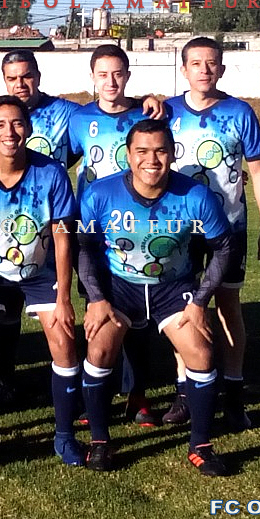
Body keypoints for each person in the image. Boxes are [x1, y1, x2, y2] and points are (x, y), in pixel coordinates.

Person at [77, 119, 234, 475]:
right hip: (119, 286)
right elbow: (83, 247)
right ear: (128, 155)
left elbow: (224, 247)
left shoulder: (195, 195)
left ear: (173, 153)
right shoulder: (99, 194)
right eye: (142, 151)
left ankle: (201, 445)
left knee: (201, 352)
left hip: (173, 287)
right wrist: (96, 298)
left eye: (161, 151)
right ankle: (100, 442)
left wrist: (200, 301)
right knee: (98, 349)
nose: (152, 160)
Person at [0, 96, 79, 462]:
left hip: (39, 271)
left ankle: (65, 436)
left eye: (17, 123)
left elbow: (62, 237)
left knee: (64, 340)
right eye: (1, 125)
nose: (10, 132)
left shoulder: (51, 172)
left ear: (29, 128)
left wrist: (64, 297)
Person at [163, 37, 260, 430]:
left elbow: (257, 170)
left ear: (222, 69)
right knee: (181, 308)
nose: (204, 70)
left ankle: (234, 394)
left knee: (228, 306)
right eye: (196, 63)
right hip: (180, 230)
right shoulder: (167, 111)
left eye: (211, 63)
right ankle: (184, 393)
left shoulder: (239, 112)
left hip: (229, 228)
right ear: (184, 69)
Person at [67, 44, 159, 427]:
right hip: (92, 231)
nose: (111, 81)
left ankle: (137, 395)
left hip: (137, 229)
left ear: (127, 76)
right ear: (92, 77)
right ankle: (96, 396)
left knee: (138, 316)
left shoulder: (146, 114)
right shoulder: (78, 118)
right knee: (96, 308)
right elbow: (59, 160)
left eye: (118, 73)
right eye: (103, 74)